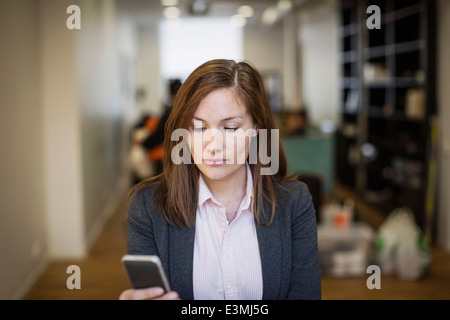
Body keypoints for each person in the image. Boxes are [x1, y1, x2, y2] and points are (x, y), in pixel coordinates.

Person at [119, 59, 321, 300]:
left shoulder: (294, 202)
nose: (213, 146)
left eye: (231, 128)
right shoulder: (148, 206)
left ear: (257, 127)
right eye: (198, 128)